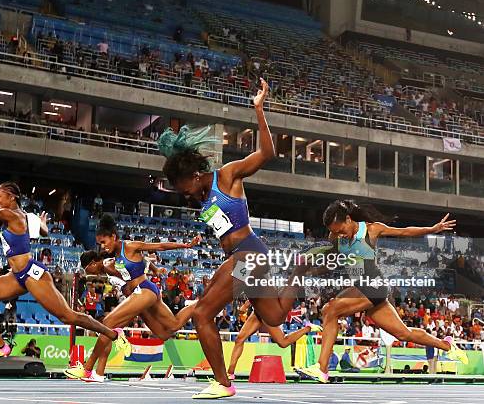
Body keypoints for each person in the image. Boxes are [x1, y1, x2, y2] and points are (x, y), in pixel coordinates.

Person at [157, 79, 299, 399]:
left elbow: (266, 152)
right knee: (275, 317)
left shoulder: (227, 176)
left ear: (194, 175)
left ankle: (222, 383)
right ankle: (299, 273)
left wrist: (259, 110)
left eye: (184, 189)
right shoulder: (203, 196)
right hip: (246, 258)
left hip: (249, 254)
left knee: (202, 314)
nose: (185, 196)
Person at [0, 178, 131, 366]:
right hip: (16, 276)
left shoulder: (12, 215)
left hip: (32, 274)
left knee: (67, 316)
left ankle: (113, 334)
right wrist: (41, 224)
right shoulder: (23, 216)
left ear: (11, 197)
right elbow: (44, 232)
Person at [295, 200, 468, 383]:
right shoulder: (335, 236)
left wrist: (433, 229)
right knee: (403, 333)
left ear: (348, 219)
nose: (338, 234)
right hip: (359, 288)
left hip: (375, 286)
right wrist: (309, 270)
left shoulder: (372, 230)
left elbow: (405, 231)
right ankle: (448, 345)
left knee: (330, 310)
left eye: (340, 229)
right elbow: (333, 263)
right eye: (334, 231)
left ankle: (321, 369)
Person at [65, 217, 200, 382]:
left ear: (114, 237)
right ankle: (198, 305)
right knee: (168, 329)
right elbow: (128, 275)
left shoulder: (129, 246)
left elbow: (160, 246)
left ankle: (87, 369)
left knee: (107, 324)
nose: (102, 246)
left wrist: (186, 245)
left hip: (145, 290)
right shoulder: (111, 260)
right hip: (140, 296)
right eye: (99, 243)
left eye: (103, 241)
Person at [226, 300, 321, 379]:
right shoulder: (248, 281)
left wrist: (246, 305)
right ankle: (230, 373)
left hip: (267, 311)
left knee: (283, 342)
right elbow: (243, 307)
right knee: (239, 339)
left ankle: (308, 328)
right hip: (258, 311)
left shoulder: (256, 281)